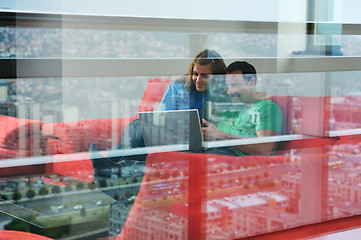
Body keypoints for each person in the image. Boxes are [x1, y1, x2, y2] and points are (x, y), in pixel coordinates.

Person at [90, 49, 229, 178]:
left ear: (217, 77)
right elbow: (162, 116)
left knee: (140, 140)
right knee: (140, 133)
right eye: (195, 74)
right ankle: (108, 166)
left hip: (191, 142)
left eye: (205, 76)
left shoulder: (224, 96)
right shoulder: (179, 87)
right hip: (166, 132)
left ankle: (107, 167)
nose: (198, 80)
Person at [202, 61, 284, 156]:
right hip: (215, 152)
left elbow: (265, 148)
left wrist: (221, 136)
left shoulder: (265, 107)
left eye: (234, 85)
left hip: (236, 160)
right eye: (227, 86)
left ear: (251, 82)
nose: (229, 92)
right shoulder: (231, 108)